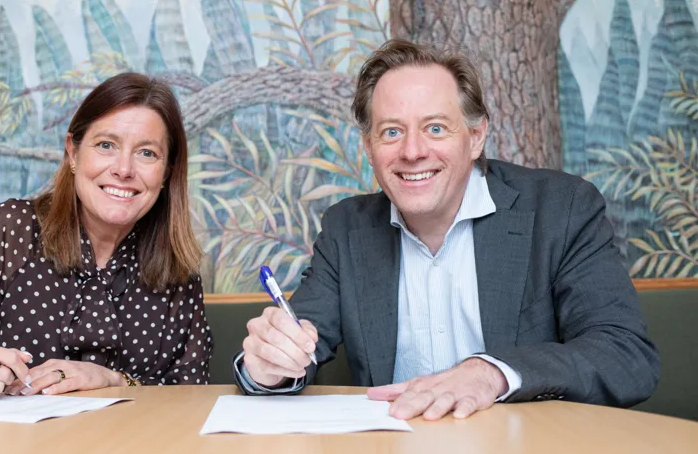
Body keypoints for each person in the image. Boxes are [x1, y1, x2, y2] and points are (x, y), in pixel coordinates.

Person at [234, 39, 660, 420]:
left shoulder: (561, 209)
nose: (413, 151)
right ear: (369, 148)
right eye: (391, 132)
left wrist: (491, 374)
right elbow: (300, 342)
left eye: (435, 128)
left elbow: (625, 356)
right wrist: (269, 366)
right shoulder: (347, 230)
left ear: (475, 137)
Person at [0, 73, 212, 401]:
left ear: (167, 171)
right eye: (106, 145)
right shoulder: (11, 230)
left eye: (147, 153)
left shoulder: (178, 270)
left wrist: (116, 379)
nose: (123, 169)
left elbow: (192, 400)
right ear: (73, 152)